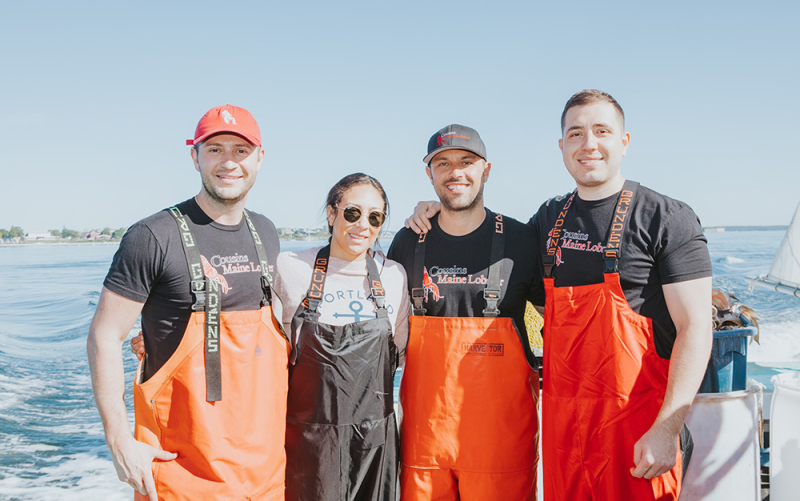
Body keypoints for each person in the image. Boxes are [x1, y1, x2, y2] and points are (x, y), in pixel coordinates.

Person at [406, 91, 713, 500]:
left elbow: (696, 329)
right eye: (576, 133)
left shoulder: (665, 217)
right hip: (563, 432)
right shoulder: (549, 219)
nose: (589, 144)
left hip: (637, 428)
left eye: (602, 131)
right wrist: (435, 213)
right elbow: (480, 241)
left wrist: (667, 427)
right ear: (562, 146)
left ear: (623, 141)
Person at [87, 105, 289, 501]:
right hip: (181, 474)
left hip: (265, 475)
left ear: (260, 159)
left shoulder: (266, 232)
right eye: (214, 149)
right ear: (194, 156)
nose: (228, 162)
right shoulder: (151, 236)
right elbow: (105, 336)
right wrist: (118, 440)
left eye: (240, 151)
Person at [388, 125, 540, 500]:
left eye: (466, 161)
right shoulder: (408, 240)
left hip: (502, 444)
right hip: (424, 446)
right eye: (443, 163)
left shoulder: (522, 240)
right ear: (430, 175)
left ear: (486, 170)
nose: (455, 171)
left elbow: (557, 323)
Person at [275, 173, 409, 501]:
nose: (363, 224)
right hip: (307, 444)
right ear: (332, 213)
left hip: (374, 447)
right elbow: (259, 348)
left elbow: (402, 354)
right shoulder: (290, 267)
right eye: (352, 213)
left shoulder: (394, 277)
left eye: (375, 217)